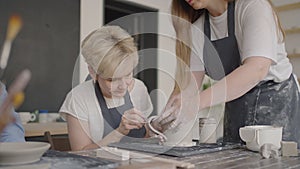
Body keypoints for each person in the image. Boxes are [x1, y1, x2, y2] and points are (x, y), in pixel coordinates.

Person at [170, 0, 300, 147]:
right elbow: (188, 88)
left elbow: (257, 69)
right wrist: (163, 120)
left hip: (276, 102)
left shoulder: (253, 7)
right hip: (236, 105)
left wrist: (195, 103)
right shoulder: (196, 31)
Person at [60, 26, 177, 151]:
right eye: (112, 79)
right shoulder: (78, 98)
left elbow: (142, 136)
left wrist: (156, 127)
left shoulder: (139, 88)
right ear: (93, 72)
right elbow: (80, 153)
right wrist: (119, 132)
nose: (123, 85)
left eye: (128, 74)